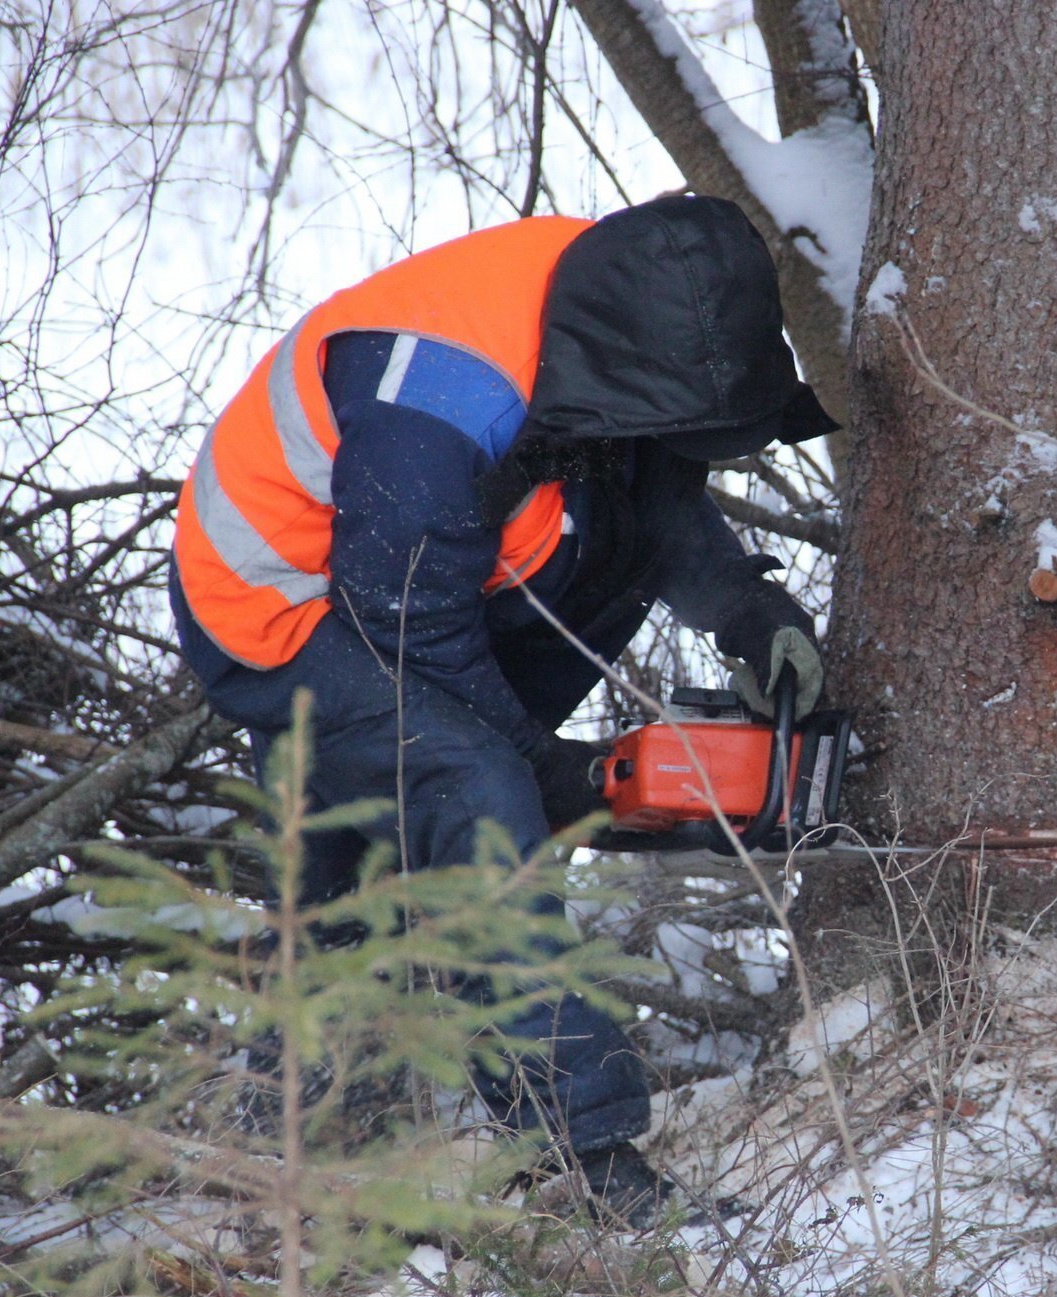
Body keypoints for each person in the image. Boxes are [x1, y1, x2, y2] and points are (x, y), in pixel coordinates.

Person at [168, 196, 836, 1224]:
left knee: (376, 843)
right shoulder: (431, 406)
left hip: (429, 572)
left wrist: (748, 612)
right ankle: (590, 1160)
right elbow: (403, 625)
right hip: (285, 599)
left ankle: (285, 1128)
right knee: (473, 790)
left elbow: (646, 489)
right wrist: (545, 768)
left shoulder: (627, 295)